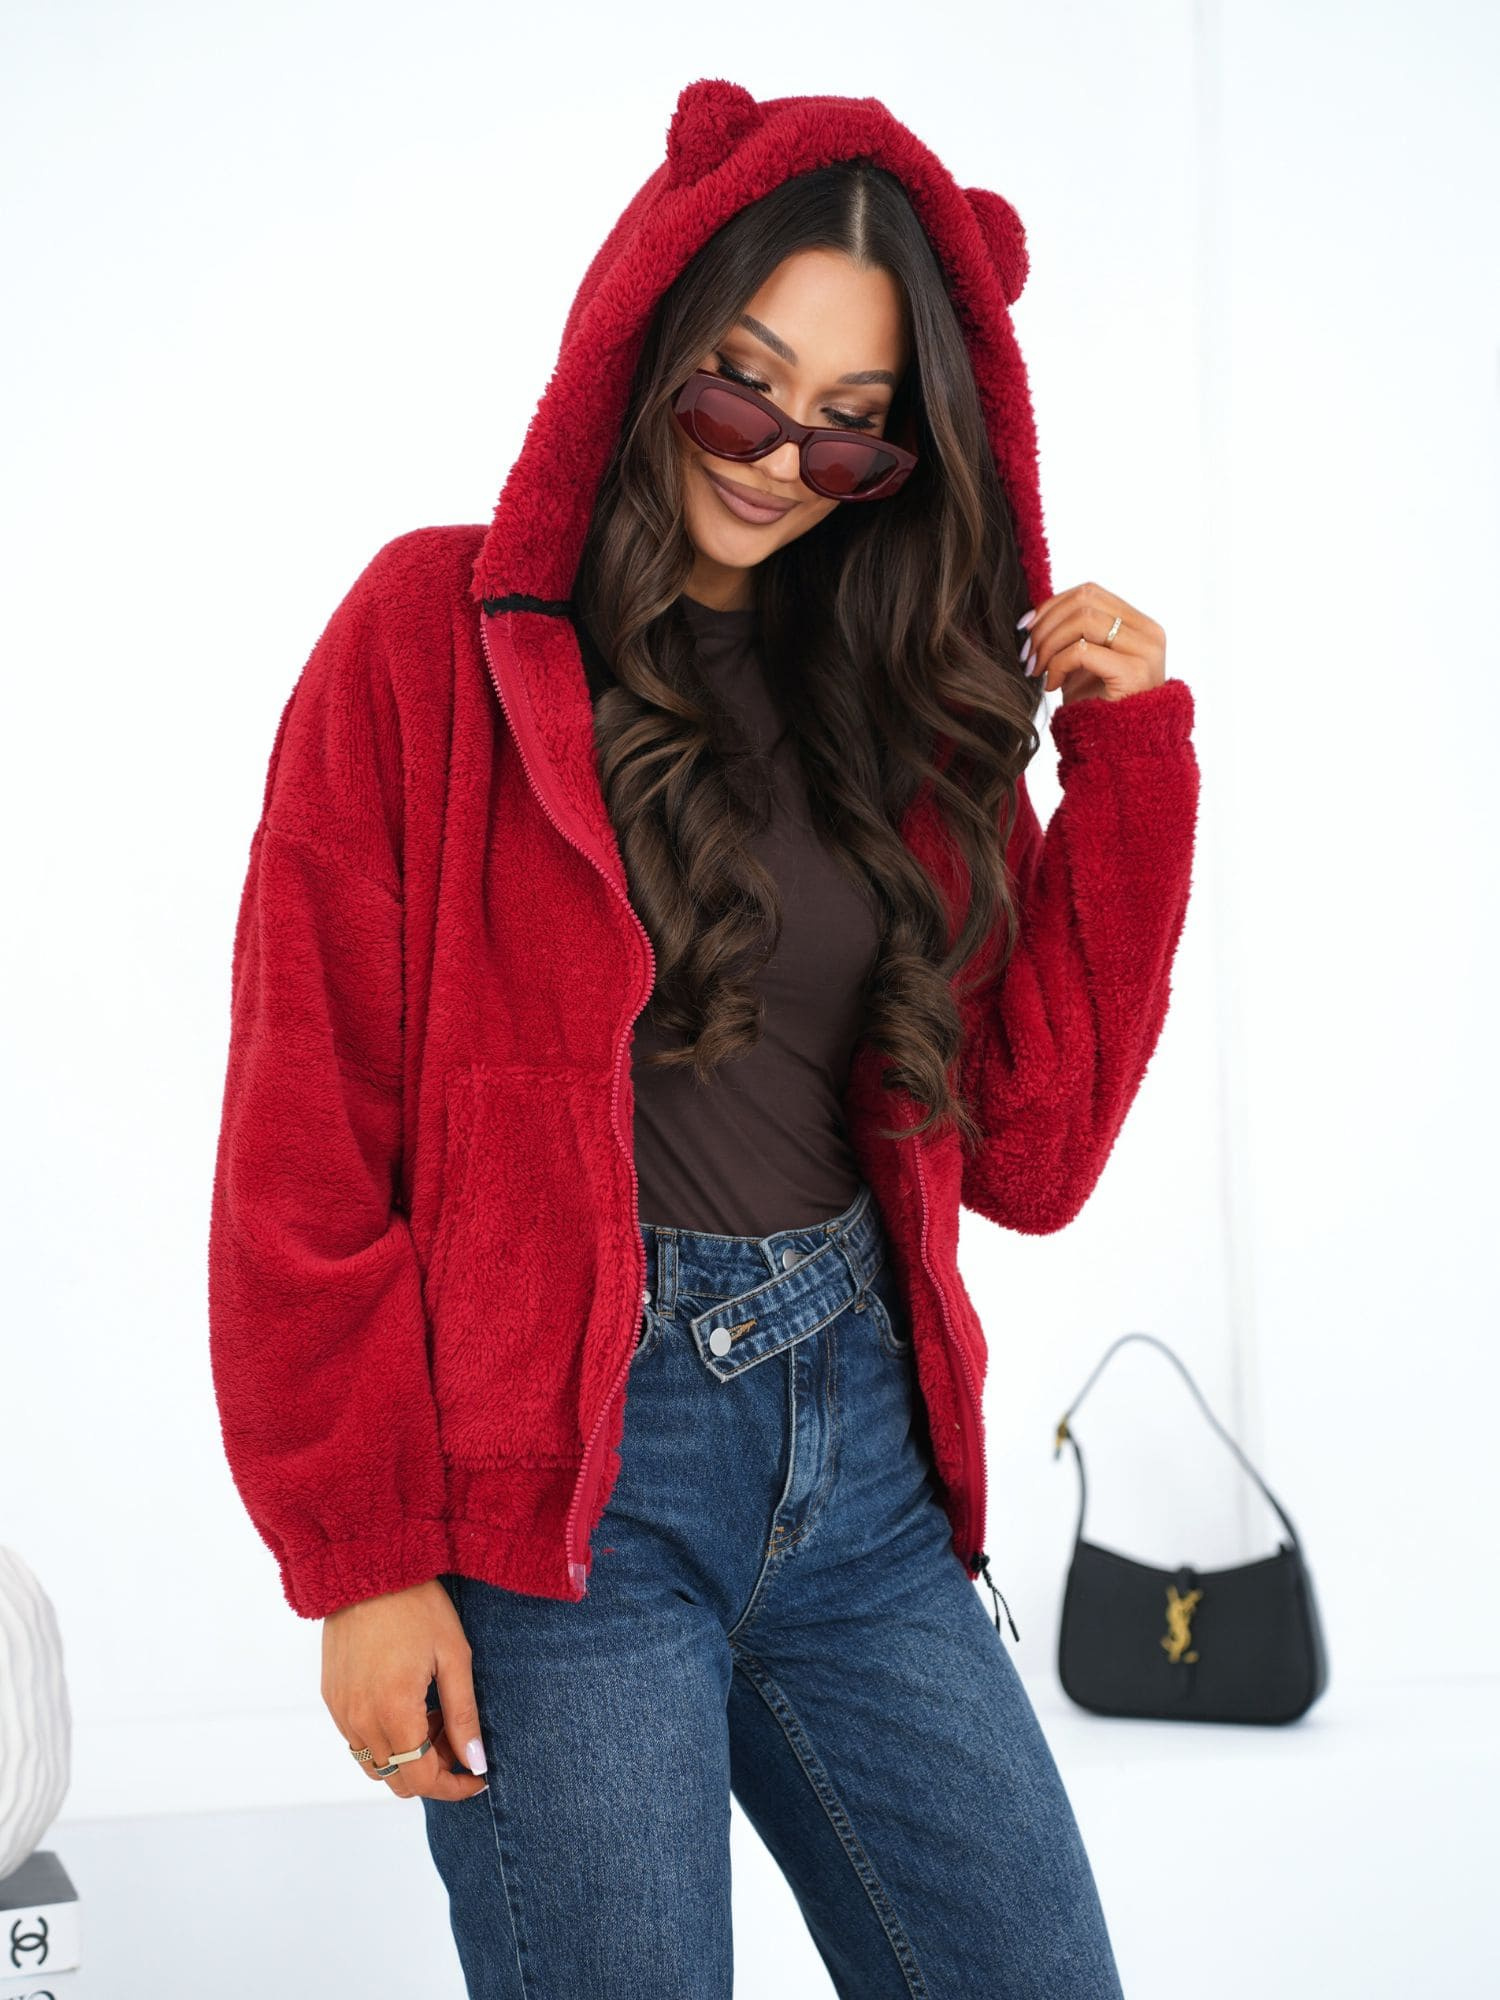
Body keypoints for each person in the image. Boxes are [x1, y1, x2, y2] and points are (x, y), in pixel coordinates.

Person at [208, 77, 1199, 1998]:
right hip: (561, 1496)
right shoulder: (429, 640)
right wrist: (362, 1557)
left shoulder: (900, 700)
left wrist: (1128, 765)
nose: (775, 460)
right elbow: (303, 1132)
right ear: (647, 328)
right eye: (743, 388)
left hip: (867, 1467)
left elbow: (1033, 1151)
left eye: (848, 429)